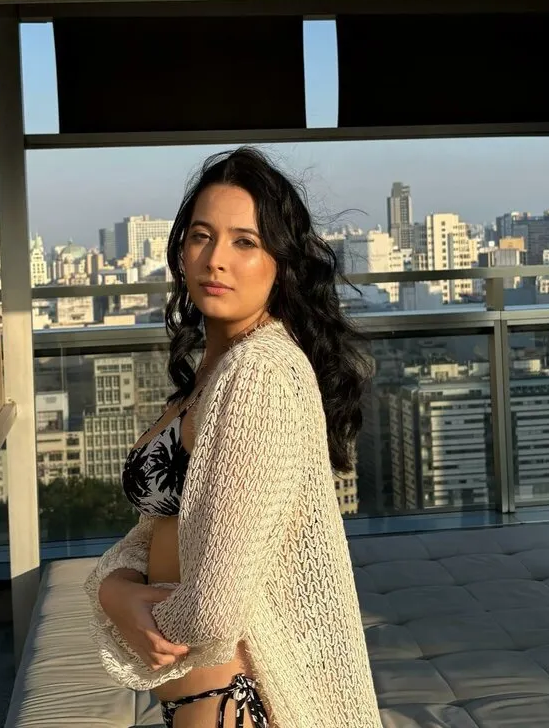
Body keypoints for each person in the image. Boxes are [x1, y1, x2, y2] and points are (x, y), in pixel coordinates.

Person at [84, 146, 383, 728]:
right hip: (208, 699)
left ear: (281, 262)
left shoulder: (259, 374)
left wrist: (130, 611)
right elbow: (157, 532)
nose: (216, 259)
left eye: (244, 241)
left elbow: (212, 609)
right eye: (202, 236)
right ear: (181, 250)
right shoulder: (216, 369)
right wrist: (113, 590)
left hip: (235, 702)